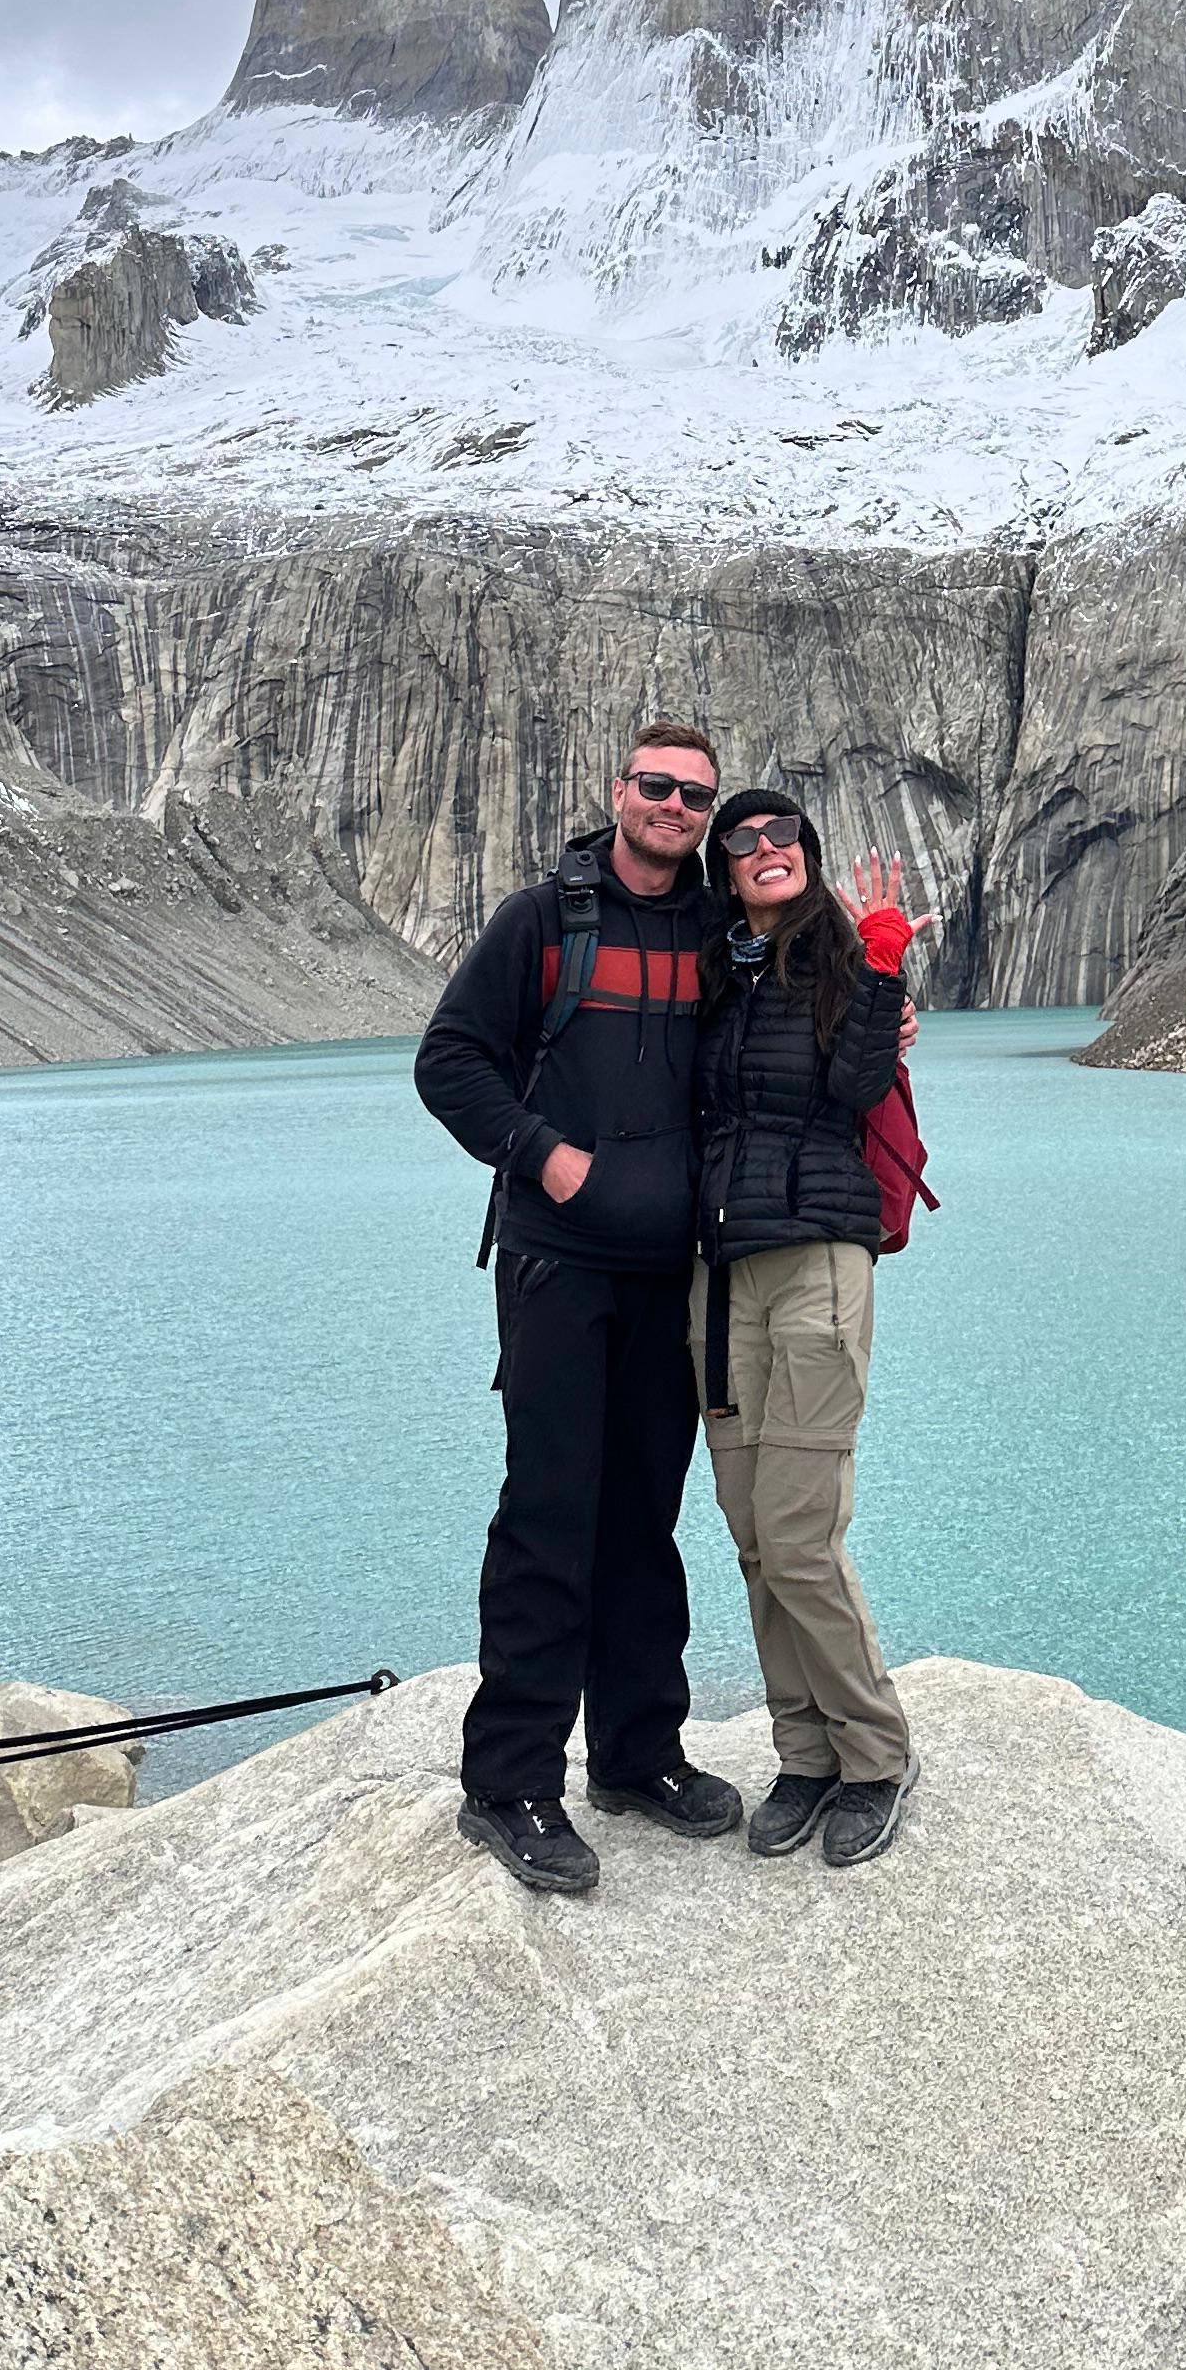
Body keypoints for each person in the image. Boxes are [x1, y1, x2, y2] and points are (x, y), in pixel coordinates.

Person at [415, 717, 747, 1893]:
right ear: (619, 792)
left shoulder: (716, 927)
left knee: (645, 1519)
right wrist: (544, 1156)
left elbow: (795, 1025)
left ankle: (637, 1752)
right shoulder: (542, 920)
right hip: (557, 1267)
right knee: (551, 1512)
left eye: (695, 796)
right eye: (657, 787)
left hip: (675, 1275)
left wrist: (888, 1003)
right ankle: (509, 1783)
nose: (674, 808)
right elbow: (450, 1060)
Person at [690, 786, 934, 1870]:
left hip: (821, 1264)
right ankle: (803, 1754)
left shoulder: (841, 961)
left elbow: (856, 1080)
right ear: (725, 871)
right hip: (719, 1276)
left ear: (806, 852)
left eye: (782, 833)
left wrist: (882, 971)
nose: (764, 848)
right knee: (752, 1534)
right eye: (740, 841)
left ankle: (874, 1754)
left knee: (799, 1529)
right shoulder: (710, 973)